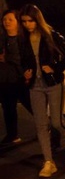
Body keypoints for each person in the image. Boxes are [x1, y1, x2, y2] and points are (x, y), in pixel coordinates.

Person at [18, 4, 65, 176]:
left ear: (38, 20)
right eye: (24, 21)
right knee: (41, 124)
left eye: (31, 21)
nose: (28, 24)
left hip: (52, 83)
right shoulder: (23, 39)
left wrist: (55, 69)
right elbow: (24, 61)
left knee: (56, 121)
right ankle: (48, 162)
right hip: (34, 86)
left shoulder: (51, 35)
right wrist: (26, 73)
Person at [0, 9, 30, 145]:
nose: (6, 22)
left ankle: (50, 128)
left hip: (21, 78)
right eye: (4, 19)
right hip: (5, 79)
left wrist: (7, 57)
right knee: (8, 107)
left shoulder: (23, 39)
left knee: (31, 105)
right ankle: (12, 134)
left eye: (10, 19)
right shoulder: (2, 38)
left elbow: (22, 58)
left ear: (18, 22)